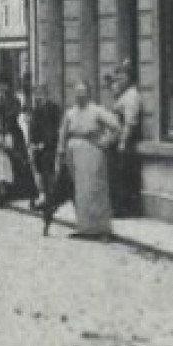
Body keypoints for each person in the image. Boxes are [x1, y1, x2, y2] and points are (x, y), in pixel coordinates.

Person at [54, 78, 121, 240]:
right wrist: (60, 154)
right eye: (77, 93)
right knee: (80, 191)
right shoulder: (70, 113)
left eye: (83, 93)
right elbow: (62, 135)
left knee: (95, 189)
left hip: (93, 153)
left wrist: (105, 142)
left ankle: (102, 229)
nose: (79, 96)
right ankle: (85, 227)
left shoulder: (97, 111)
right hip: (74, 155)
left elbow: (116, 127)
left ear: (89, 94)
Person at [109, 63, 143, 217]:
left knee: (123, 176)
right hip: (117, 142)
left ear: (129, 78)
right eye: (117, 78)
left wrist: (123, 142)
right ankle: (118, 207)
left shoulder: (131, 96)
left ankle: (125, 209)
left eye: (122, 77)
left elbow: (130, 122)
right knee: (117, 175)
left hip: (125, 143)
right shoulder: (123, 95)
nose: (119, 81)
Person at [28, 87, 63, 213]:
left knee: (49, 172)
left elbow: (55, 129)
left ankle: (51, 200)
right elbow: (33, 127)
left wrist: (45, 143)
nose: (38, 97)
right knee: (39, 171)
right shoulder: (36, 110)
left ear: (46, 95)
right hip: (38, 146)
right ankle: (43, 198)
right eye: (36, 95)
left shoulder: (54, 108)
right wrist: (33, 143)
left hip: (50, 147)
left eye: (40, 95)